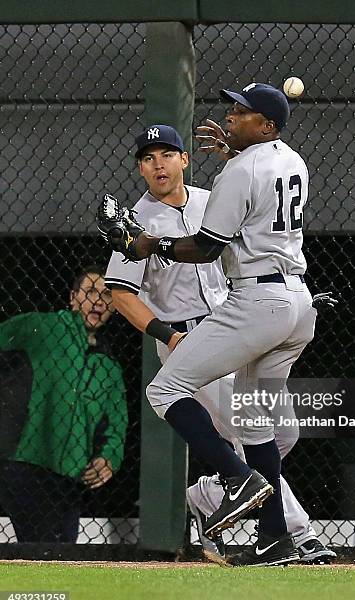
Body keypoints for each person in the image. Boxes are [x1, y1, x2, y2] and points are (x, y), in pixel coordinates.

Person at [98, 83, 328, 566]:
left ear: (185, 160)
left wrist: (150, 243)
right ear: (139, 167)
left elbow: (208, 243)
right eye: (147, 157)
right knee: (250, 426)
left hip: (241, 316)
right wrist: (169, 335)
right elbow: (121, 292)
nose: (157, 163)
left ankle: (211, 495)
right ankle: (292, 532)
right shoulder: (140, 215)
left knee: (278, 433)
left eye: (167, 154)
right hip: (199, 329)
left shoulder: (216, 190)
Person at [0, 266, 128, 543]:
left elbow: (117, 425)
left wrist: (109, 458)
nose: (98, 301)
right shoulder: (41, 327)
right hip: (22, 461)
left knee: (60, 551)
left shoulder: (110, 368)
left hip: (70, 476)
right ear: (73, 297)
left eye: (107, 295)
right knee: (47, 548)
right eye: (91, 291)